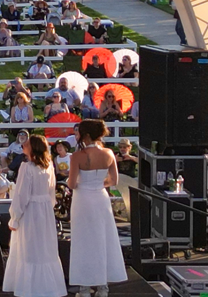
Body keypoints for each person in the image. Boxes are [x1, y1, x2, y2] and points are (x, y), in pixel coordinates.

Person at [3, 134, 67, 297]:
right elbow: (51, 192)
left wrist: (15, 217)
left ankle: (30, 288)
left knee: (30, 249)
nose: (24, 145)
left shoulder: (27, 167)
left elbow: (21, 195)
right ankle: (47, 287)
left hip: (31, 211)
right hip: (45, 210)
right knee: (44, 248)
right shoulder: (49, 166)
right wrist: (47, 207)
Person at [69, 119, 126, 297]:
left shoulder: (77, 156)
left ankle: (84, 288)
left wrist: (84, 183)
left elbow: (71, 184)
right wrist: (98, 183)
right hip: (101, 197)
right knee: (103, 240)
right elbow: (114, 181)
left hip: (83, 199)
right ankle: (103, 287)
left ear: (86, 135)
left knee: (83, 241)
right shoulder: (109, 153)